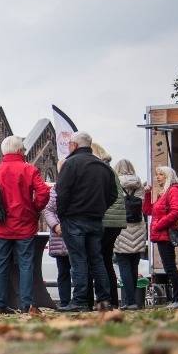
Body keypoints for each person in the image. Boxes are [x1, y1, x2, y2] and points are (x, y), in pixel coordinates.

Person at [0, 136, 50, 313]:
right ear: (20, 150)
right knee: (26, 264)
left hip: (1, 226)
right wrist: (34, 209)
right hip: (25, 225)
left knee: (1, 265)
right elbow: (43, 192)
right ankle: (26, 304)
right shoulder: (29, 169)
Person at [56, 132, 118, 312]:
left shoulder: (70, 164)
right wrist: (100, 208)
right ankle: (104, 300)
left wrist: (63, 214)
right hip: (96, 219)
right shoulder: (103, 167)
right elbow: (113, 194)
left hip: (74, 218)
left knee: (78, 260)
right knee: (97, 260)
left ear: (74, 145)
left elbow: (62, 192)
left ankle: (80, 301)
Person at [144, 166, 178, 308]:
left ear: (168, 176)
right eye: (157, 174)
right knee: (169, 267)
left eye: (160, 174)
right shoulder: (164, 193)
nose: (157, 177)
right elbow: (148, 210)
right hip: (161, 235)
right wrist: (147, 195)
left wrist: (159, 225)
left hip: (165, 234)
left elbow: (177, 211)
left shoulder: (174, 190)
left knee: (170, 267)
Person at [93, 143, 125, 306]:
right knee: (106, 260)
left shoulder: (100, 170)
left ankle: (105, 298)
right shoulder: (110, 169)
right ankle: (112, 299)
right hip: (117, 220)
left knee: (99, 260)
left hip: (106, 220)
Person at [113, 160, 147, 309]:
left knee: (124, 266)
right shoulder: (139, 184)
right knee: (134, 266)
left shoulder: (115, 183)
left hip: (122, 228)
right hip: (138, 227)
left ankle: (130, 301)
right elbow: (142, 202)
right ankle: (133, 302)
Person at [42, 177, 72, 308]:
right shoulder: (56, 189)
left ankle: (79, 301)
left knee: (78, 270)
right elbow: (48, 210)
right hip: (60, 236)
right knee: (63, 271)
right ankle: (65, 302)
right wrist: (56, 226)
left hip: (72, 233)